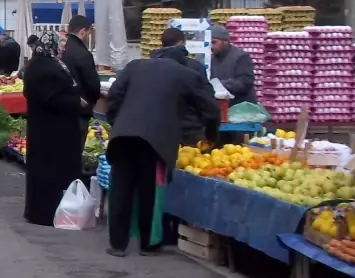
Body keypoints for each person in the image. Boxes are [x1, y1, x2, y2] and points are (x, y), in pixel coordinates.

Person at [106, 47, 221, 256]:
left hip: (123, 135)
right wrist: (211, 135)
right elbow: (210, 108)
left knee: (121, 187)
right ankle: (147, 244)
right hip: (155, 140)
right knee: (149, 190)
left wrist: (117, 123)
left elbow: (114, 95)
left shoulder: (135, 66)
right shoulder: (186, 74)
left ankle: (117, 245)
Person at [22, 33, 85, 226]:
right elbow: (51, 97)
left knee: (40, 171)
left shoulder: (35, 64)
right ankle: (49, 213)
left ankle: (37, 211)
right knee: (52, 172)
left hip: (40, 127)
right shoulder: (47, 68)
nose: (63, 48)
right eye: (61, 44)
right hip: (54, 130)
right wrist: (76, 101)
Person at [152, 27, 214, 146]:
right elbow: (207, 99)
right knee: (191, 161)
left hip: (160, 130)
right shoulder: (194, 67)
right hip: (191, 130)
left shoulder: (150, 67)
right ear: (182, 43)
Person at [61, 14, 100, 136]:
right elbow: (93, 85)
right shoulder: (83, 54)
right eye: (88, 33)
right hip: (79, 110)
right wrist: (92, 101)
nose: (88, 36)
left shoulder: (62, 50)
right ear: (83, 32)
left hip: (61, 108)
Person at [209, 24, 256, 104]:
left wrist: (220, 85)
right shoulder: (211, 59)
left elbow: (245, 82)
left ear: (225, 41)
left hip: (240, 107)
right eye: (209, 43)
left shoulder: (240, 56)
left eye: (214, 42)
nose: (211, 46)